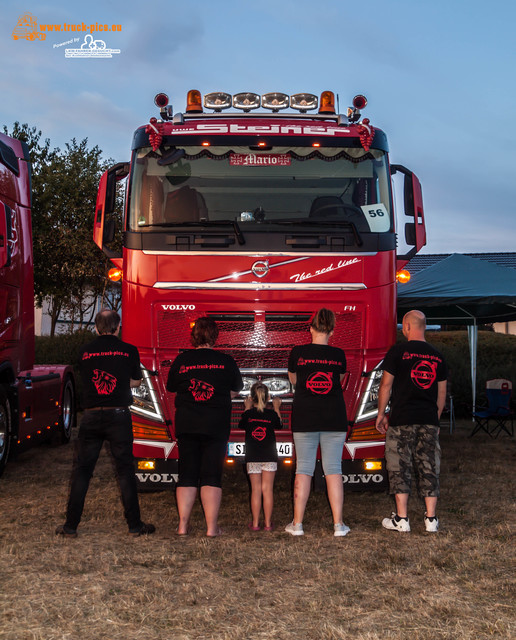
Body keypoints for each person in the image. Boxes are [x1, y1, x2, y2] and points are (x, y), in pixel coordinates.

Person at [56, 309, 155, 538]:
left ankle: (70, 526)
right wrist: (121, 382)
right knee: (125, 471)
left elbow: (87, 379)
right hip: (119, 416)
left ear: (96, 327)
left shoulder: (84, 351)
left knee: (82, 471)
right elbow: (137, 381)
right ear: (118, 327)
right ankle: (135, 526)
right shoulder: (129, 350)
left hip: (91, 416)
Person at [166, 317, 243, 537]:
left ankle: (182, 526)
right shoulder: (226, 361)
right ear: (215, 336)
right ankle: (211, 528)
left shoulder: (181, 361)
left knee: (187, 474)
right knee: (211, 474)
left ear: (194, 336)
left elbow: (173, 388)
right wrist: (218, 396)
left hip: (187, 423)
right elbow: (237, 389)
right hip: (215, 424)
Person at [376, 310, 448, 533]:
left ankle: (402, 519)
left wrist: (380, 414)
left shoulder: (398, 352)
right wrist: (434, 420)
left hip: (401, 419)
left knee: (400, 467)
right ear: (424, 326)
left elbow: (386, 386)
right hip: (428, 419)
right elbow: (441, 393)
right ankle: (431, 520)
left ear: (406, 326)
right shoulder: (437, 356)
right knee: (429, 466)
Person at [285, 308, 350, 537]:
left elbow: (294, 380)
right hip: (334, 417)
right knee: (333, 470)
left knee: (303, 469)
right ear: (331, 331)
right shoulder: (339, 355)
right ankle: (338, 525)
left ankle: (297, 524)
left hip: (305, 416)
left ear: (311, 328)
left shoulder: (297, 352)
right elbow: (339, 381)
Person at [239, 382, 282, 531]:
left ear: (251, 398)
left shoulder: (248, 415)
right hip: (269, 456)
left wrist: (247, 407)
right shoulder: (271, 415)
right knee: (267, 490)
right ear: (268, 397)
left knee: (255, 490)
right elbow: (279, 425)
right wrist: (276, 407)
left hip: (253, 456)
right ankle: (268, 524)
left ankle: (256, 523)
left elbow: (241, 425)